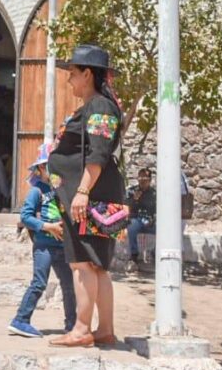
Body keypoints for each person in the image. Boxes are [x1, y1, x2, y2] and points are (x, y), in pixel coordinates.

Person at [46, 44, 126, 349]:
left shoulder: (100, 107)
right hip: (97, 193)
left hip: (90, 196)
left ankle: (81, 329)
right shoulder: (98, 106)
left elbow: (99, 153)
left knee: (82, 263)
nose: (69, 81)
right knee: (97, 266)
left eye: (73, 74)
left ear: (88, 74)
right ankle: (104, 329)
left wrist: (80, 192)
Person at [8, 143, 76, 338]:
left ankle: (71, 324)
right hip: (44, 246)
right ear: (39, 169)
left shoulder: (62, 190)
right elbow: (26, 217)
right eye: (47, 166)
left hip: (62, 246)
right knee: (39, 283)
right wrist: (47, 227)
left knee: (69, 284)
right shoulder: (36, 191)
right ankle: (20, 320)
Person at [126, 168, 156, 264]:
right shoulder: (131, 191)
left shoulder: (154, 193)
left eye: (145, 178)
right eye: (140, 178)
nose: (142, 181)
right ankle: (134, 254)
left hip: (150, 221)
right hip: (137, 219)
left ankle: (155, 252)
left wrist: (154, 219)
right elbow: (127, 208)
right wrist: (134, 200)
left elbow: (159, 209)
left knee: (163, 228)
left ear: (150, 180)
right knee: (132, 226)